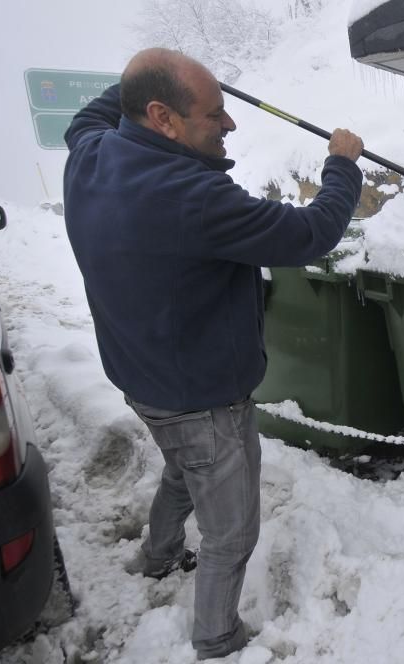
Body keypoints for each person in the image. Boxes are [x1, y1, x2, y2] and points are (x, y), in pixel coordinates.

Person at [63, 48, 363, 660]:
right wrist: (341, 166)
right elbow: (310, 234)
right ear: (162, 118)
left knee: (181, 465)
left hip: (141, 379)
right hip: (202, 397)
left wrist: (177, 79)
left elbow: (93, 112)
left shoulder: (91, 154)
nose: (229, 125)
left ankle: (160, 554)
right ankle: (218, 637)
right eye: (213, 115)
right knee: (230, 533)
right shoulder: (192, 197)